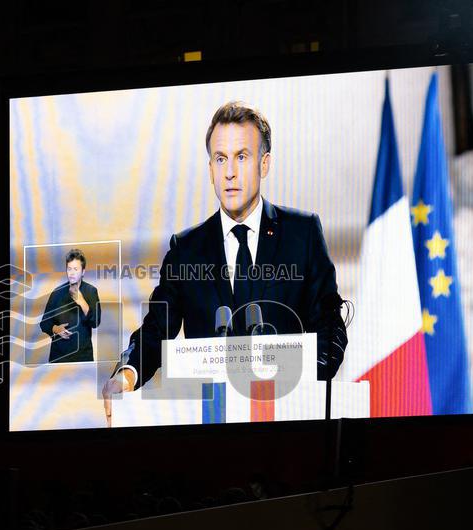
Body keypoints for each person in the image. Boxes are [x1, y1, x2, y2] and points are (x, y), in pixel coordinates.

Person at [103, 101, 347, 419]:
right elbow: (155, 331)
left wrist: (303, 385)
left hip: (287, 422)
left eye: (241, 157)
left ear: (264, 164)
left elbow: (330, 326)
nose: (229, 172)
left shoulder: (303, 233)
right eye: (221, 159)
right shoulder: (186, 249)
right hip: (212, 428)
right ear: (210, 169)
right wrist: (127, 374)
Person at [39, 248, 101, 363]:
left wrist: (82, 301)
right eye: (69, 269)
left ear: (83, 272)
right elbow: (44, 323)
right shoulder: (57, 292)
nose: (72, 273)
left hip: (82, 356)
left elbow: (95, 322)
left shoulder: (91, 291)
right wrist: (55, 329)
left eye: (76, 269)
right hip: (58, 357)